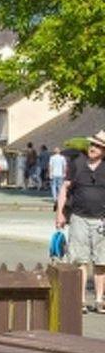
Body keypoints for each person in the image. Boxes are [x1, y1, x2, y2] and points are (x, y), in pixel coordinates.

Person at [56, 131, 105, 312]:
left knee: (102, 262)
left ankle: (99, 300)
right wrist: (60, 214)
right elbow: (64, 188)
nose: (93, 148)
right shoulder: (77, 163)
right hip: (78, 218)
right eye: (92, 144)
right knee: (79, 260)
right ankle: (81, 300)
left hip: (102, 220)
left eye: (98, 146)